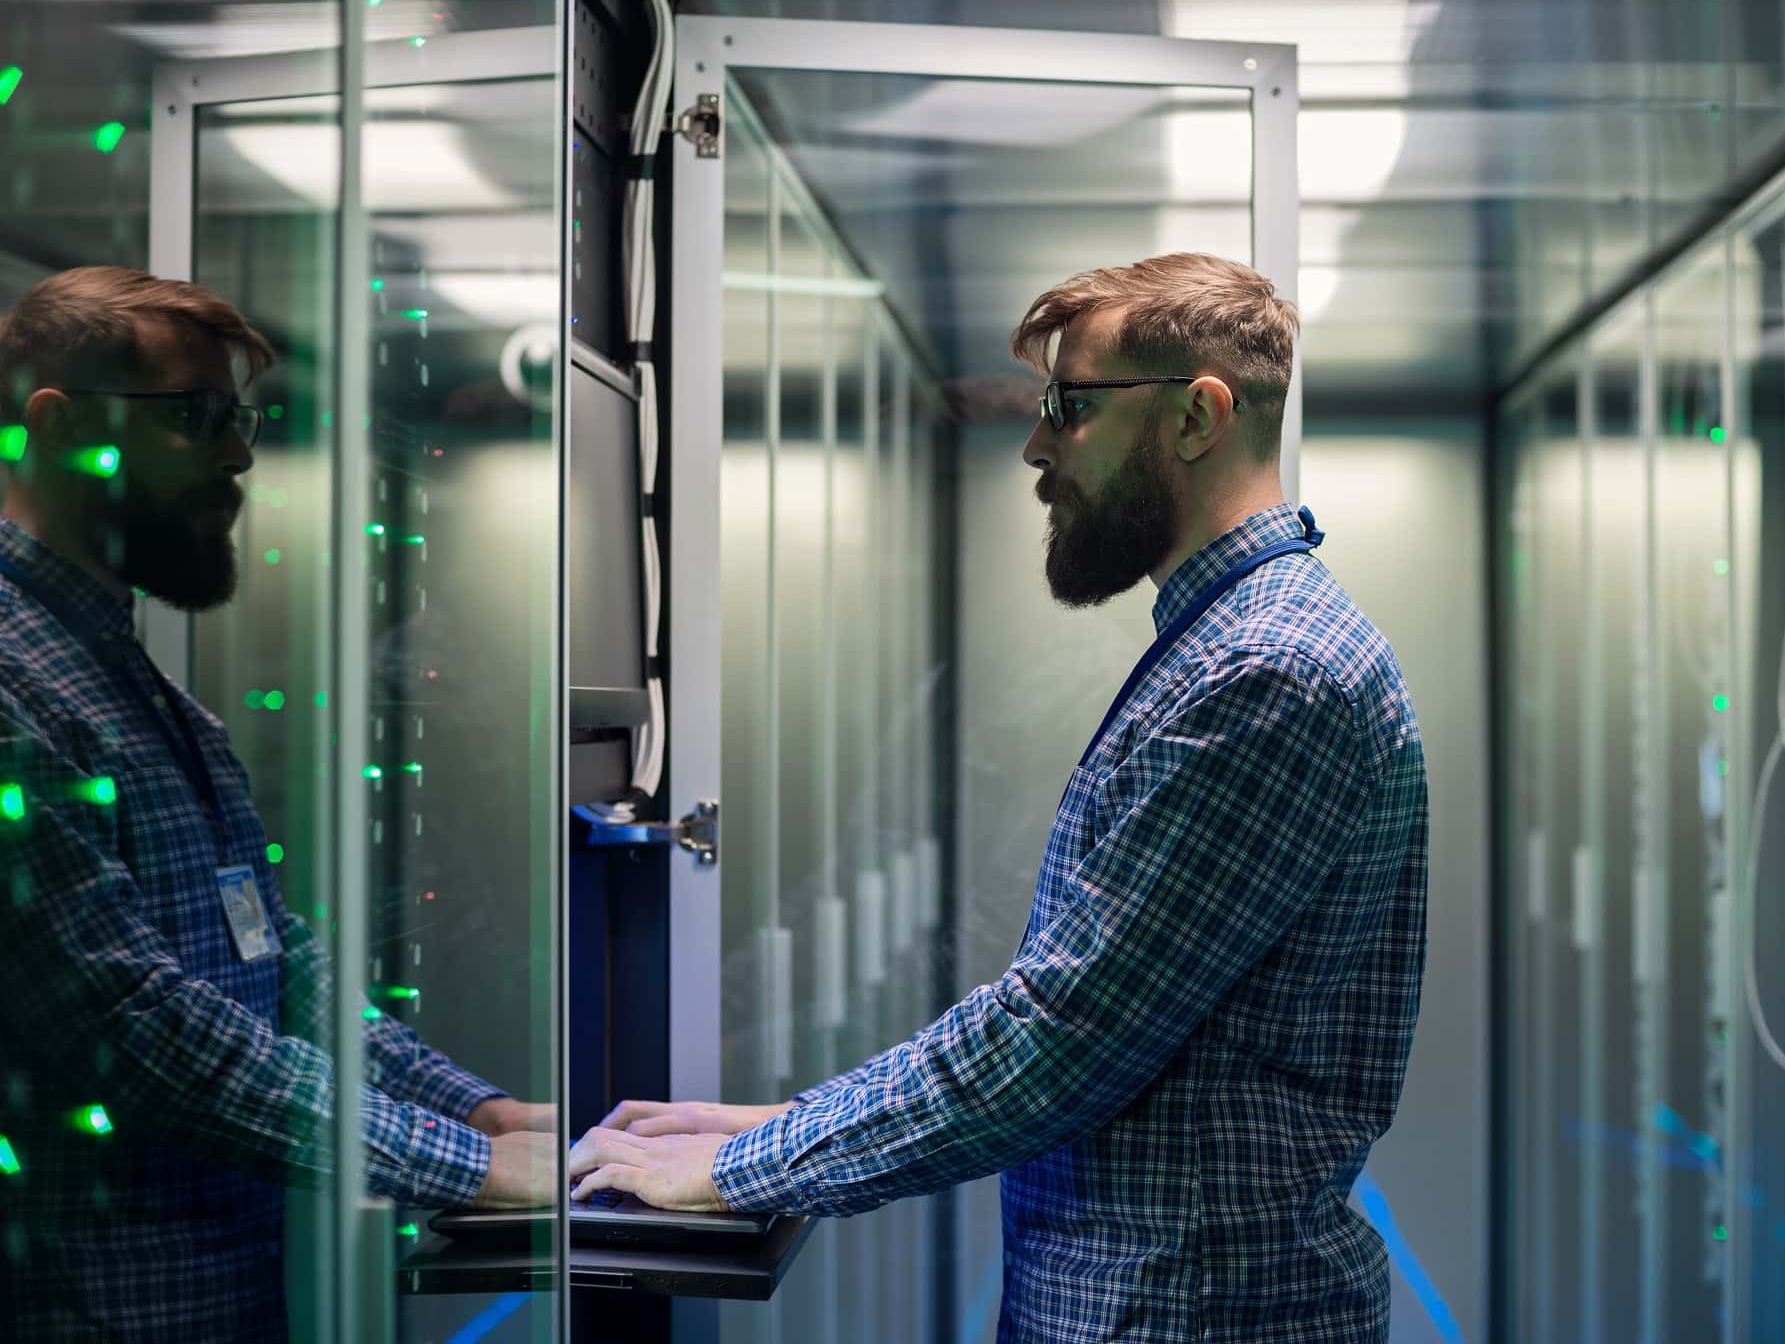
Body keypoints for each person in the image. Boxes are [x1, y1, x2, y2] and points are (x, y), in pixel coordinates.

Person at [568, 252, 1430, 1342]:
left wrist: (752, 1164)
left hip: (1189, 1313)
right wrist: (797, 1119)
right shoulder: (1236, 644)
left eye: (1068, 407)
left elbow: (1061, 1036)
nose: (1035, 445)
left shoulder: (1265, 671)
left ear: (1198, 416)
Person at [0, 267, 557, 1343]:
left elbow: (271, 959)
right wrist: (461, 1162)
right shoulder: (14, 679)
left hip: (211, 1293)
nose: (240, 454)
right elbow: (131, 1022)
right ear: (59, 425)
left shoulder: (123, 677)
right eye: (199, 415)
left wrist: (469, 1107)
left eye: (241, 417)